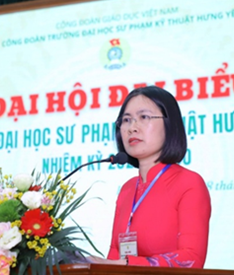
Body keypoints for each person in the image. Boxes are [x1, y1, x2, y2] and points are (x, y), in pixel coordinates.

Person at [89, 86, 211, 268]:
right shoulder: (127, 189)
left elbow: (191, 258)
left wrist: (127, 264)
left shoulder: (189, 183)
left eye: (144, 117)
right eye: (126, 120)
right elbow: (114, 256)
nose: (132, 128)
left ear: (170, 125)